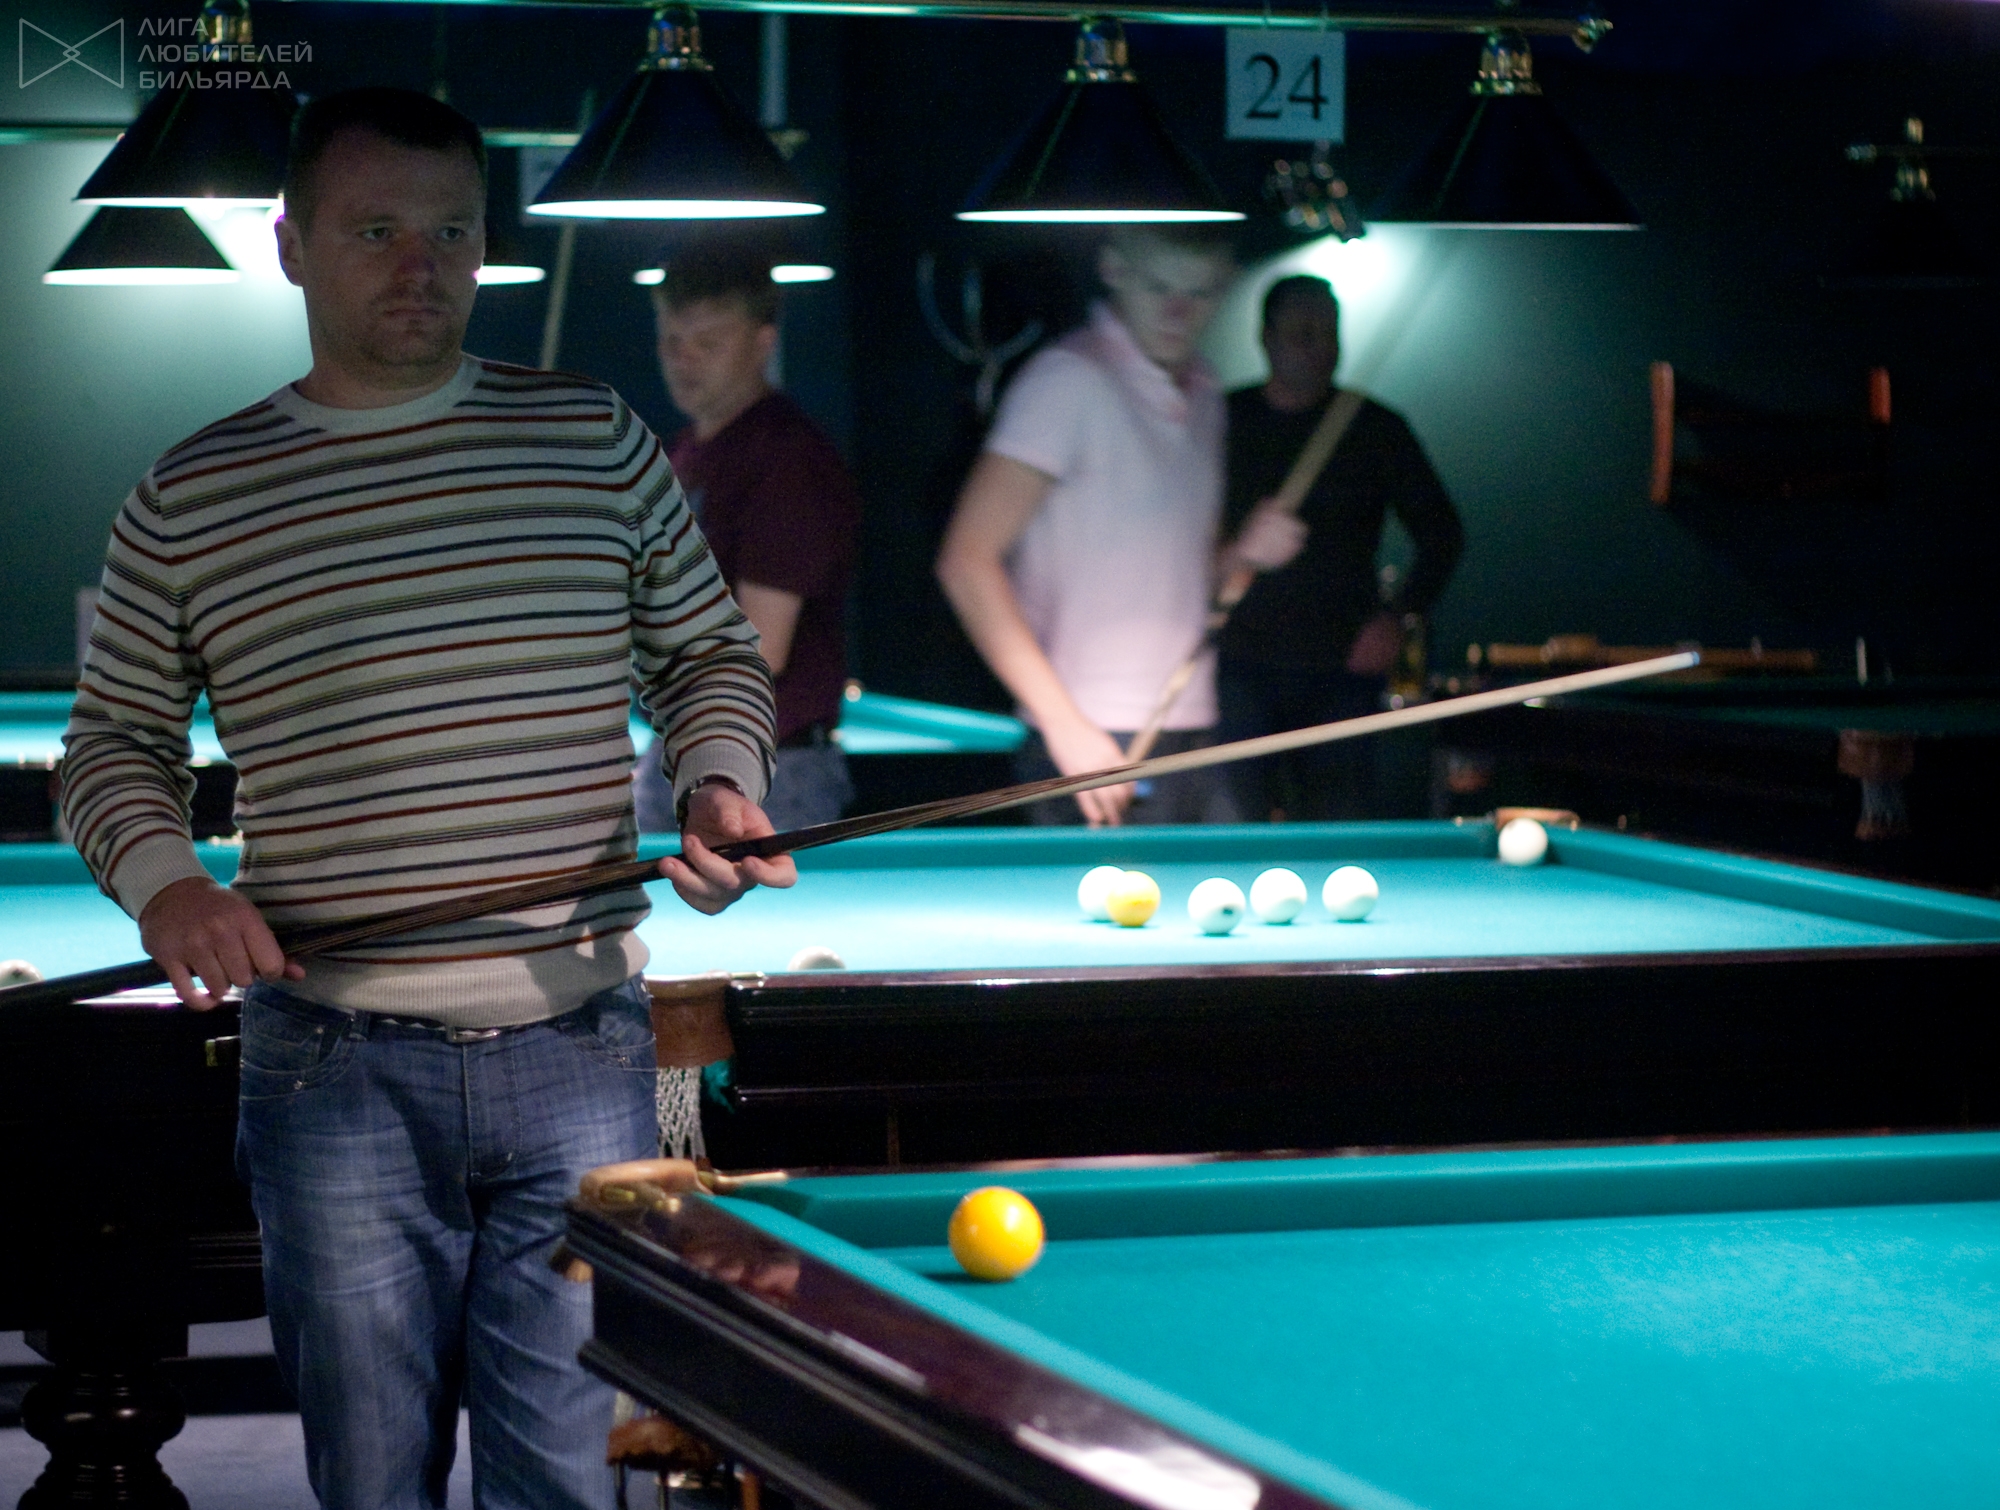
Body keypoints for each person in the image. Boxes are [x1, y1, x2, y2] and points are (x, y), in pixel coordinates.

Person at [59, 87, 793, 1510]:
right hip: (333, 1065)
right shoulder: (194, 492)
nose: (421, 266)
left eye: (451, 231)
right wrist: (172, 887)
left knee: (563, 1484)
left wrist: (718, 780)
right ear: (291, 245)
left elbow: (707, 654)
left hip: (580, 1045)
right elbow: (115, 745)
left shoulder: (591, 438)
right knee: (373, 1485)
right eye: (376, 231)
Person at [936, 225, 1300, 826]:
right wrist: (1064, 726)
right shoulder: (1067, 380)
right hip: (1086, 738)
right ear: (1114, 268)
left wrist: (1241, 557)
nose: (1178, 313)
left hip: (1192, 723)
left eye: (1200, 293)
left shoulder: (1206, 390)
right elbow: (966, 562)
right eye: (1159, 288)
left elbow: (1177, 577)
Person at [1216, 274, 1464, 821]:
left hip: (1340, 668)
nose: (1320, 348)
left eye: (1330, 334)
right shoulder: (1223, 420)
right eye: (1302, 333)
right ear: (1266, 339)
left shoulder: (1374, 428)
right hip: (1238, 665)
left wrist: (1397, 618)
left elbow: (1443, 533)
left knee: (1336, 824)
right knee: (1235, 825)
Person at [632, 244, 861, 834]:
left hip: (769, 773)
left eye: (707, 344)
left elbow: (761, 647)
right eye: (671, 342)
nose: (684, 361)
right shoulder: (686, 453)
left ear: (763, 343)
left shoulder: (786, 460)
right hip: (684, 755)